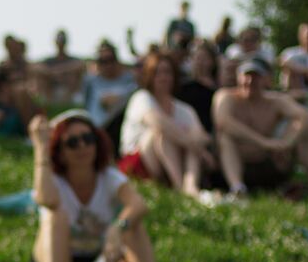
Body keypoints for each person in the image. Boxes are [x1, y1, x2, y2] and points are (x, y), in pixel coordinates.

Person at [27, 112, 171, 262]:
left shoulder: (108, 177)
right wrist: (41, 148)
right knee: (54, 216)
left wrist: (117, 228)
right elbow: (45, 200)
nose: (82, 146)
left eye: (88, 139)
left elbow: (139, 205)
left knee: (134, 227)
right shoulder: (55, 180)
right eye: (72, 142)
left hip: (96, 260)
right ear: (60, 151)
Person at [212, 57, 308, 197]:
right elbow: (223, 122)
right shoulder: (226, 96)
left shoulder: (276, 101)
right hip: (237, 162)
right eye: (246, 76)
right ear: (238, 78)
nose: (250, 81)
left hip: (269, 163)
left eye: (256, 77)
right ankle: (238, 189)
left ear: (266, 80)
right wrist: (264, 142)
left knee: (305, 136)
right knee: (225, 138)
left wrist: (286, 142)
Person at [119, 52, 212, 197]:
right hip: (138, 164)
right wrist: (199, 150)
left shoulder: (184, 109)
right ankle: (180, 188)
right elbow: (158, 123)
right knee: (162, 133)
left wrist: (195, 142)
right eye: (157, 72)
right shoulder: (141, 98)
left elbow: (202, 136)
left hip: (174, 161)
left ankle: (190, 186)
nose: (163, 77)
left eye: (167, 72)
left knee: (190, 135)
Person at [81, 40, 139, 131]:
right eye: (103, 61)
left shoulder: (129, 79)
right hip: (98, 130)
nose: (108, 65)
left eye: (111, 60)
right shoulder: (90, 82)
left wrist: (118, 99)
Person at [177, 40, 219, 133]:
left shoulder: (219, 88)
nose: (200, 62)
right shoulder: (184, 87)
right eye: (197, 58)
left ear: (212, 61)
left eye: (204, 58)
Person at [38, 30, 85, 107]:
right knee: (43, 78)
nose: (61, 43)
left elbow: (81, 65)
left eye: (62, 40)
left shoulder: (72, 59)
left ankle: (64, 102)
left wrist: (60, 71)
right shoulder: (49, 60)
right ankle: (50, 104)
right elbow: (37, 68)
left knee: (73, 76)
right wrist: (52, 74)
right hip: (52, 90)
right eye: (59, 40)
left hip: (69, 91)